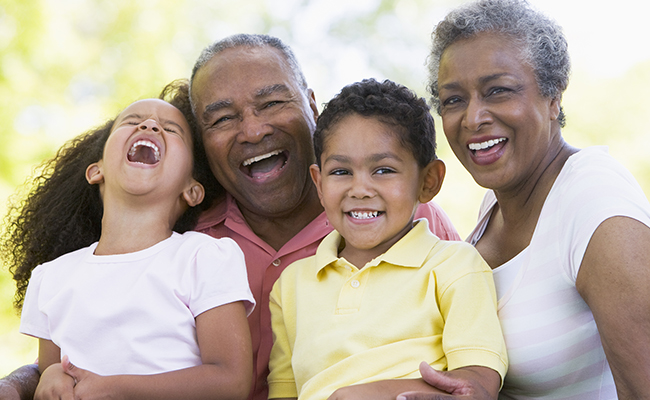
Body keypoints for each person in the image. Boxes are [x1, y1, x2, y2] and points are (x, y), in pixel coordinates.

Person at [0, 34, 461, 400]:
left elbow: (484, 348)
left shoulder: (408, 222)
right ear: (201, 149)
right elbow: (88, 331)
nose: (253, 129)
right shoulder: (184, 234)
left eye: (272, 103)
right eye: (221, 119)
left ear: (312, 105)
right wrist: (23, 382)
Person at [399, 0, 650, 399]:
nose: (473, 118)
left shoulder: (595, 201)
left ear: (554, 98)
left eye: (498, 91)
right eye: (453, 99)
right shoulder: (493, 208)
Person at [3, 82, 255, 400]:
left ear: (192, 189)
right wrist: (52, 376)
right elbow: (50, 372)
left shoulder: (203, 257)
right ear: (96, 171)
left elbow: (231, 382)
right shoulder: (51, 276)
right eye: (131, 121)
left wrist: (114, 388)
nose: (149, 125)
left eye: (170, 129)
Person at [267, 78, 507, 400]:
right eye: (341, 172)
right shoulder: (291, 285)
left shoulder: (455, 266)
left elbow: (477, 384)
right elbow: (284, 392)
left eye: (383, 170)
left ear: (428, 181)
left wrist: (368, 395)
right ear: (319, 183)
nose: (360, 189)